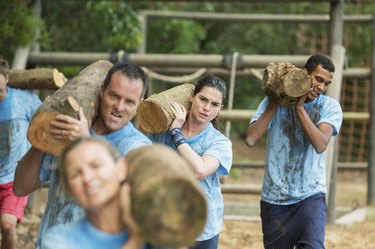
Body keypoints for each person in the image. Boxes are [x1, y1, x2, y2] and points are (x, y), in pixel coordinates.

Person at [13, 62, 152, 249]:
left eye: (129, 102)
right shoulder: (69, 128)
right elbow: (21, 187)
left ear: (140, 103)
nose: (119, 107)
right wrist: (44, 132)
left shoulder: (138, 148)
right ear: (102, 90)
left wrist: (85, 143)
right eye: (114, 96)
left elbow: (129, 212)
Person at [245, 55, 343, 249]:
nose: (321, 87)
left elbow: (320, 144)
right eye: (318, 79)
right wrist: (276, 101)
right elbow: (250, 139)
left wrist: (299, 107)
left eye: (326, 83)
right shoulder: (271, 102)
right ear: (304, 74)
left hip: (311, 198)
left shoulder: (329, 107)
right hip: (274, 201)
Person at [147, 75, 233, 249]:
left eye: (214, 104)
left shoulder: (220, 142)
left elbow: (200, 170)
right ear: (192, 97)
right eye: (203, 99)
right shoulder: (162, 131)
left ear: (220, 108)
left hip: (202, 226)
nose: (207, 108)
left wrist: (176, 133)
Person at [43, 137, 144, 249]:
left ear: (121, 169)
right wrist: (136, 240)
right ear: (69, 189)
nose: (87, 178)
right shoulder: (59, 240)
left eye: (96, 165)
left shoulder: (156, 231)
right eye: (75, 174)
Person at [0, 57, 41, 249]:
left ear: (6, 78)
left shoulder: (24, 100)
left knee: (7, 225)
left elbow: (43, 120)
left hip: (15, 177)